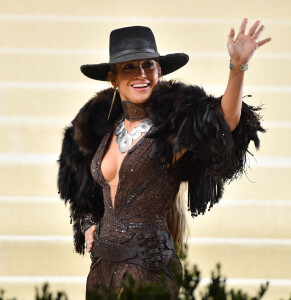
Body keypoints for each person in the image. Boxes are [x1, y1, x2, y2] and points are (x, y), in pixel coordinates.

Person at [58, 19, 271, 298]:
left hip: (148, 266)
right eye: (129, 67)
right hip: (101, 268)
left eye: (148, 65)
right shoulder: (104, 127)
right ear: (113, 78)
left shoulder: (174, 128)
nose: (141, 74)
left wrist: (237, 67)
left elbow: (223, 121)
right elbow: (88, 190)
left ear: (160, 71)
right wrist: (89, 224)